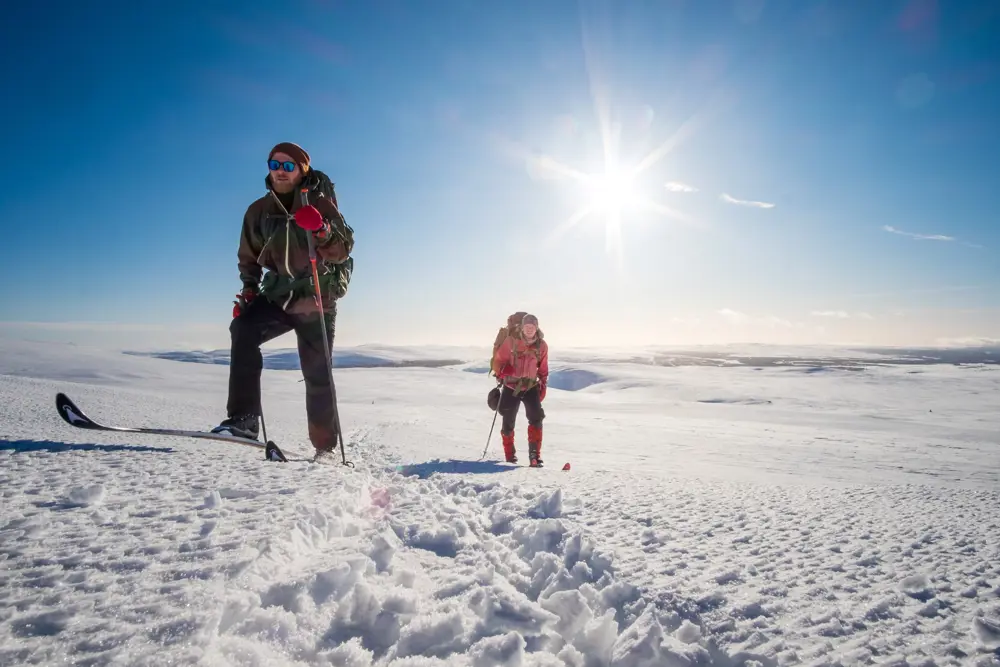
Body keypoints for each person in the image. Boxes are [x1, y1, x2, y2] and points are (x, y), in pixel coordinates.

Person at [212, 142, 354, 458]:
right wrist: (249, 290)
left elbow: (343, 248)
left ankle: (324, 448)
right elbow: (247, 257)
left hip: (316, 297)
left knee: (317, 371)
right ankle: (243, 420)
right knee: (244, 329)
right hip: (277, 294)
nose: (279, 171)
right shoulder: (259, 211)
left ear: (302, 170)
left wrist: (321, 228)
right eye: (274, 164)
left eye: (288, 166)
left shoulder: (321, 203)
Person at [492, 313, 549, 467]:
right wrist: (503, 371)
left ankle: (534, 456)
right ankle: (510, 456)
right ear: (522, 328)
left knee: (536, 418)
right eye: (527, 327)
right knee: (508, 419)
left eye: (532, 327)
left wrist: (543, 384)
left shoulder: (542, 346)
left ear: (536, 328)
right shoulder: (511, 341)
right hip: (511, 386)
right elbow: (498, 361)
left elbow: (543, 368)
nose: (529, 329)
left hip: (530, 386)